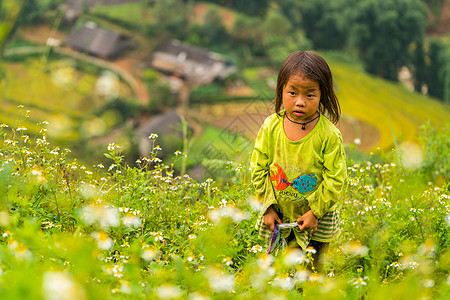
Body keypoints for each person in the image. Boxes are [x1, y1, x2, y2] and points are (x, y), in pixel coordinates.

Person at [251, 51, 347, 271]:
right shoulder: (270, 127)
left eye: (310, 95)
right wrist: (267, 207)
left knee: (312, 273)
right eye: (292, 93)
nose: (300, 102)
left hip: (316, 222)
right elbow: (258, 168)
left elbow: (335, 180)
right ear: (281, 90)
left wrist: (315, 212)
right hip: (278, 215)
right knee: (278, 271)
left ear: (323, 95)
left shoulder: (329, 135)